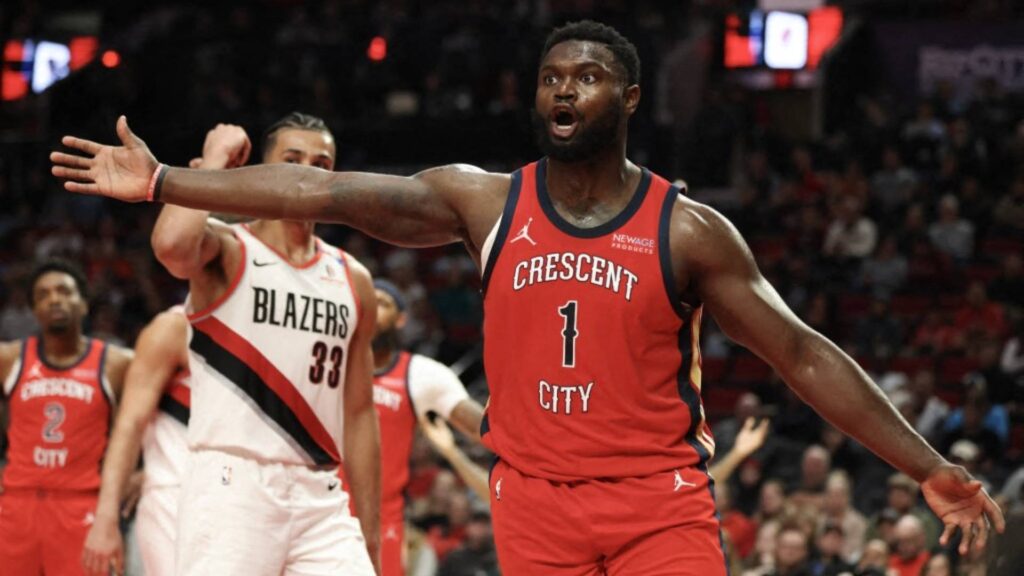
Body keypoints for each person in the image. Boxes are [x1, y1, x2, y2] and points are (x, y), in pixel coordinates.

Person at [51, 19, 1004, 574]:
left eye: (586, 78)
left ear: (628, 98)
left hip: (656, 503)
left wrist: (923, 465)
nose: (563, 91)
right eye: (551, 78)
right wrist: (168, 181)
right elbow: (318, 192)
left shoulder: (687, 230)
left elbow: (801, 355)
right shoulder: (484, 201)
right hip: (532, 503)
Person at [96, 118, 381, 575]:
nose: (306, 172)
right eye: (291, 161)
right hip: (232, 486)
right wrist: (212, 166)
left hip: (321, 493)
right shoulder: (228, 249)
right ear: (263, 171)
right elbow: (171, 246)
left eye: (321, 164)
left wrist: (369, 527)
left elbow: (362, 412)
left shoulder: (354, 279)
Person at [0, 259, 133, 575]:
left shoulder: (117, 363)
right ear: (34, 310)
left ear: (84, 303)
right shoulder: (10, 359)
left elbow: (149, 422)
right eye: (43, 295)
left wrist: (145, 471)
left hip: (83, 505)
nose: (54, 299)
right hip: (17, 504)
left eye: (63, 291)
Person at [371, 278, 488, 576]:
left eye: (382, 303)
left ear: (401, 320)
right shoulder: (326, 360)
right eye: (365, 301)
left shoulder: (422, 374)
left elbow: (485, 428)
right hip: (318, 505)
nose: (371, 309)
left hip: (383, 518)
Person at [80, 306, 191, 576]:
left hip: (252, 499)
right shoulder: (173, 327)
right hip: (173, 501)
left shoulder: (266, 330)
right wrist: (107, 518)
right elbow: (129, 424)